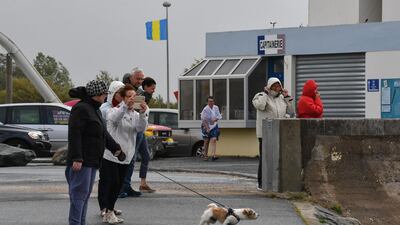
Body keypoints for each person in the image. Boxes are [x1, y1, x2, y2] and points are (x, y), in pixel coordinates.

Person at [65, 80, 124, 225]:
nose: (105, 96)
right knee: (78, 196)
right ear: (96, 95)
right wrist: (77, 157)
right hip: (81, 161)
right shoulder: (81, 109)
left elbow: (103, 133)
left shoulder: (94, 109)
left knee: (83, 196)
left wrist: (116, 148)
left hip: (92, 160)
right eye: (104, 94)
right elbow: (75, 134)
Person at [99, 84, 148, 224]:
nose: (132, 99)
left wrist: (144, 113)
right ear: (122, 97)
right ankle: (107, 211)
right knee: (112, 183)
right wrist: (125, 106)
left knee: (119, 185)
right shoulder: (114, 111)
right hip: (112, 155)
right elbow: (114, 119)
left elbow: (140, 129)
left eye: (134, 96)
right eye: (129, 96)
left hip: (127, 155)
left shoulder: (136, 115)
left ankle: (110, 210)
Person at [252, 77, 294, 190]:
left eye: (278, 86)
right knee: (265, 158)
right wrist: (265, 94)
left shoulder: (281, 98)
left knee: (277, 157)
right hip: (264, 133)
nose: (276, 88)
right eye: (274, 86)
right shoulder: (260, 96)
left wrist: (287, 98)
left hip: (278, 132)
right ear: (269, 86)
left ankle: (275, 181)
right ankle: (262, 182)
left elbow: (291, 112)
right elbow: (260, 106)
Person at [120, 68, 155, 196]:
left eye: (141, 79)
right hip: (131, 127)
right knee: (131, 157)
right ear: (130, 78)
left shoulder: (140, 92)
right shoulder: (126, 91)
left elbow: (141, 110)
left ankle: (142, 182)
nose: (140, 81)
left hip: (140, 127)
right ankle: (124, 186)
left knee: (145, 155)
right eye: (138, 79)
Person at [98, 81, 125, 219]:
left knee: (118, 180)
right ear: (114, 94)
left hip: (120, 149)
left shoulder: (123, 107)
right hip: (106, 149)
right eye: (120, 93)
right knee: (106, 179)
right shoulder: (104, 109)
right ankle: (103, 207)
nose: (123, 96)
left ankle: (111, 206)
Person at [200, 96, 222, 161]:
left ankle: (213, 155)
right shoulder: (205, 109)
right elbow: (204, 120)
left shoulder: (216, 107)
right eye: (209, 101)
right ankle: (205, 155)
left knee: (214, 139)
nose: (211, 102)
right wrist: (207, 128)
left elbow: (219, 116)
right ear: (207, 102)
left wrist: (215, 119)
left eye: (212, 101)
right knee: (206, 141)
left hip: (214, 126)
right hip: (206, 125)